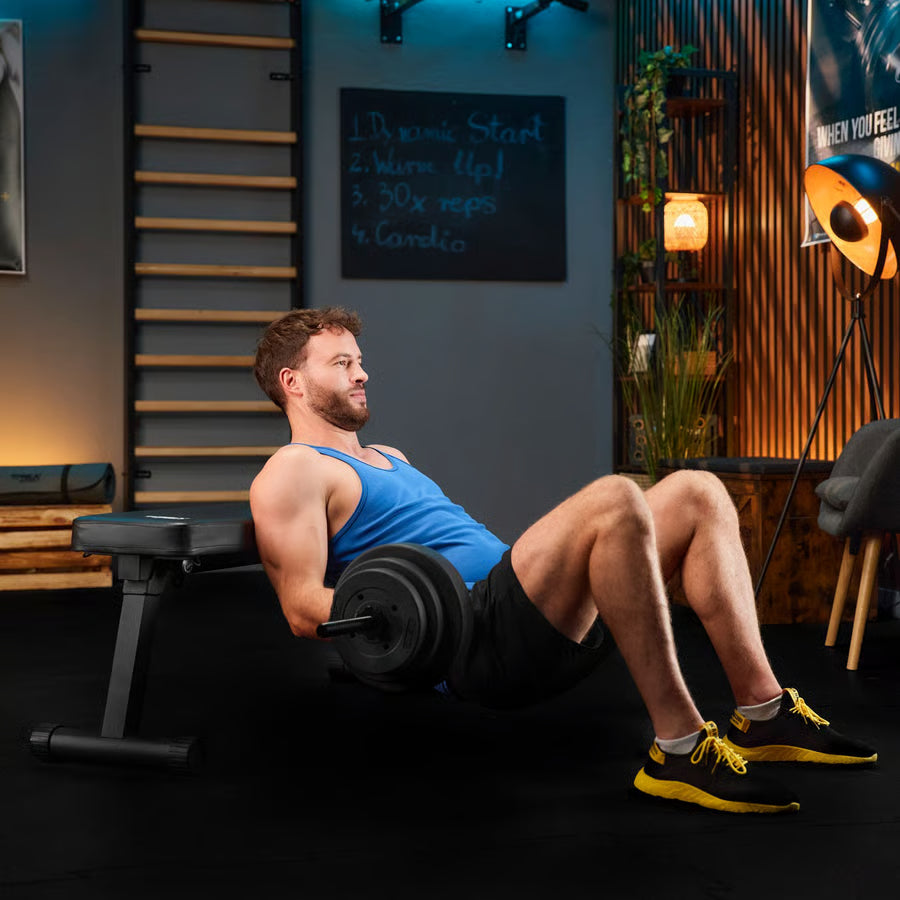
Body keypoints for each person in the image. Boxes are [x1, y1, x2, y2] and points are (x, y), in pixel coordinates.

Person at [250, 307, 876, 815]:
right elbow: (302, 606)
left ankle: (763, 714)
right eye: (341, 363)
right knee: (614, 498)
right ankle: (680, 748)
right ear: (293, 383)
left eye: (359, 361)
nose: (362, 374)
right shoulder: (293, 471)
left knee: (698, 491)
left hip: (525, 611)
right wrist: (417, 619)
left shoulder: (391, 455)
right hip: (472, 635)